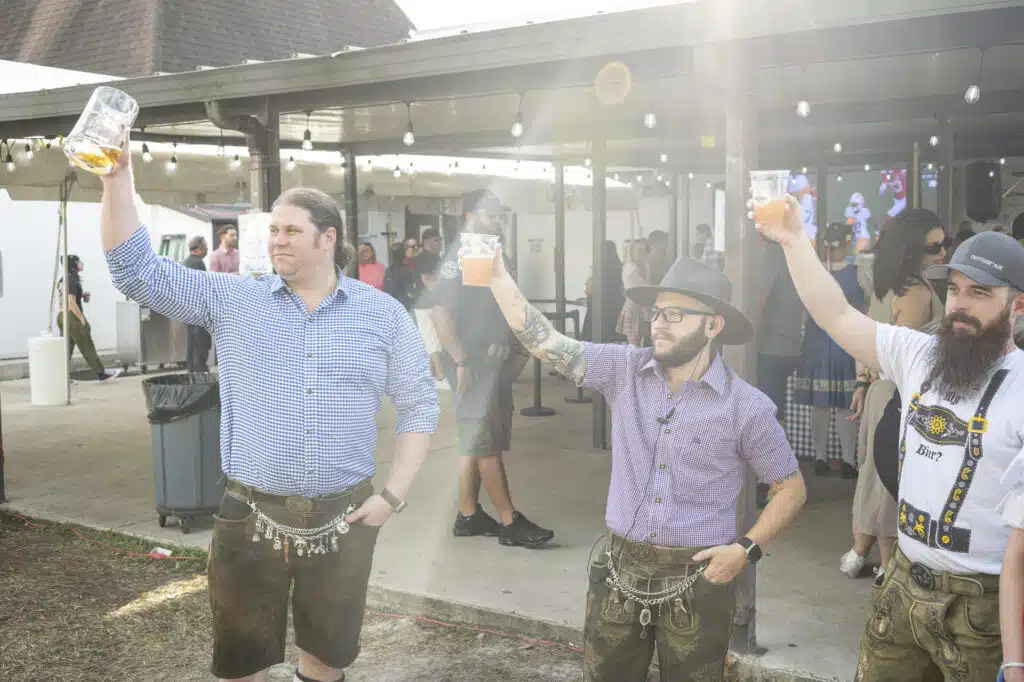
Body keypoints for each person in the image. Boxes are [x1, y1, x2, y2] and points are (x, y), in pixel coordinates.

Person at [99, 137, 439, 682]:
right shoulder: (235, 300)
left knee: (326, 660)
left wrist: (393, 495)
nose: (276, 241)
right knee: (242, 663)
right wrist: (117, 181)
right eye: (273, 231)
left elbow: (420, 404)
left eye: (290, 231)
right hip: (248, 514)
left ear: (328, 238)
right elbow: (135, 272)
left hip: (344, 516)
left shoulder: (383, 315)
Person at [479, 243, 807, 680]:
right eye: (656, 313)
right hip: (618, 573)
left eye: (675, 314)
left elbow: (791, 487)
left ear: (713, 325)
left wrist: (744, 550)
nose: (659, 324)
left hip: (700, 578)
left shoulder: (746, 407)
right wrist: (498, 277)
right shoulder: (624, 370)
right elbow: (548, 344)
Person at [760, 196, 1024, 682]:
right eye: (957, 289)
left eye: (981, 294)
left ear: (1019, 304)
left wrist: (1016, 656)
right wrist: (795, 242)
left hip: (981, 608)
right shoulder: (919, 354)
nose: (961, 305)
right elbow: (835, 316)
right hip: (901, 584)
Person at [431, 188, 554, 548]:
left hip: (488, 363)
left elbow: (498, 304)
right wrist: (460, 360)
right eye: (489, 213)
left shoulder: (486, 253)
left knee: (475, 442)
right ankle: (509, 521)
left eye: (499, 213)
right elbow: (441, 311)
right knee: (485, 443)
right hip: (473, 365)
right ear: (470, 216)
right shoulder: (462, 254)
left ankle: (468, 516)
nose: (496, 219)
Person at [841, 209, 947, 580]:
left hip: (881, 391)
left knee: (874, 474)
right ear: (912, 250)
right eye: (935, 246)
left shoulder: (886, 288)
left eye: (944, 244)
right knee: (891, 480)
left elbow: (868, 345)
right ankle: (888, 566)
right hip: (901, 394)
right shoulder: (917, 292)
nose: (943, 253)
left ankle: (860, 555)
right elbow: (907, 356)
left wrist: (862, 384)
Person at [791, 223, 863, 479]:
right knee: (846, 404)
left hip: (817, 339)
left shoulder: (812, 271)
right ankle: (848, 460)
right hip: (846, 339)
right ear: (846, 243)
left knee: (819, 405)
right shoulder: (857, 274)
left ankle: (820, 457)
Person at [56, 255, 121, 381]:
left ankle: (62, 377)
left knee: (66, 349)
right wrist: (82, 319)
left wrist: (81, 296)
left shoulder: (63, 279)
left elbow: (65, 299)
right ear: (73, 265)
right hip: (72, 316)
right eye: (78, 261)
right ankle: (101, 373)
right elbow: (71, 302)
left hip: (62, 315)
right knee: (87, 345)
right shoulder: (72, 281)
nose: (81, 263)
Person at [582, 240, 626, 343]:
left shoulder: (601, 268)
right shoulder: (617, 266)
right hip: (615, 307)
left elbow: (590, 289)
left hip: (600, 307)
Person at [183, 236, 212, 372]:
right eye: (205, 246)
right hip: (199, 313)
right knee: (200, 349)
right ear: (199, 248)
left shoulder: (186, 262)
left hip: (189, 312)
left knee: (191, 348)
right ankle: (200, 377)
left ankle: (192, 374)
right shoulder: (198, 263)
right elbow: (203, 287)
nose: (207, 249)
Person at [616, 239, 650, 346]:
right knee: (633, 343)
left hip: (644, 308)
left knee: (644, 341)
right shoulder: (630, 268)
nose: (641, 254)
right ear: (632, 252)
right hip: (633, 307)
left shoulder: (646, 266)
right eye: (638, 251)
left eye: (643, 251)